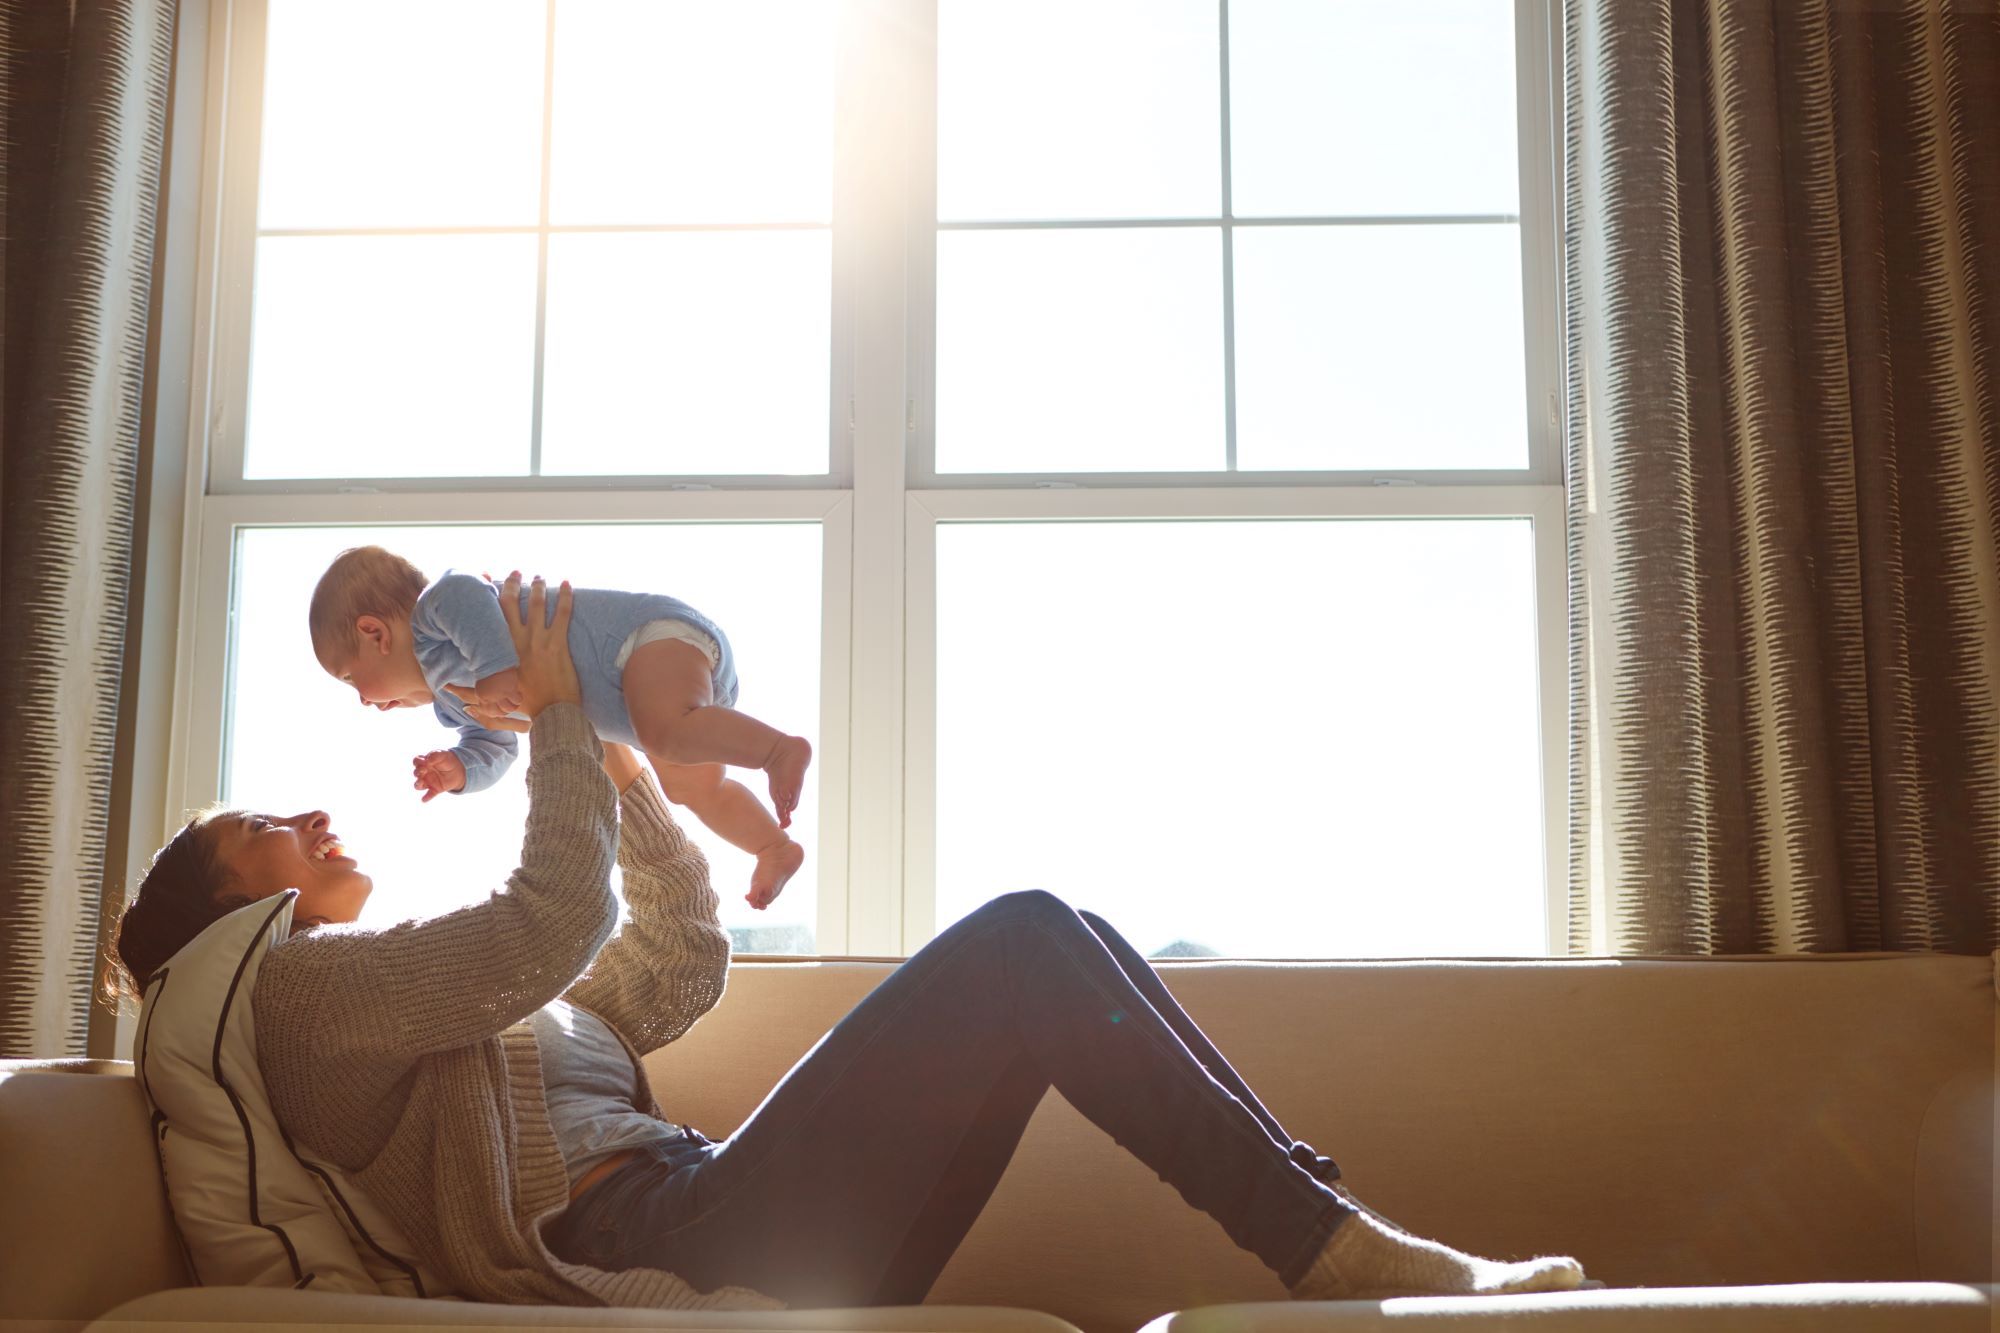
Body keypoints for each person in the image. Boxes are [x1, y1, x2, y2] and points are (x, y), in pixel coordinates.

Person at [106, 574, 1586, 1311]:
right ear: (225, 904)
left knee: (1053, 933)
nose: (304, 811)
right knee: (1016, 938)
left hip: (710, 1203)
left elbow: (669, 965)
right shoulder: (296, 1001)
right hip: (662, 1249)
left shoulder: (411, 997)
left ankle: (1328, 1235)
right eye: (262, 825)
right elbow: (546, 924)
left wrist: (620, 771)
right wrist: (557, 706)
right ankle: (1330, 1252)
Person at [306, 545, 811, 908]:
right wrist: (459, 770)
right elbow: (496, 746)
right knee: (692, 788)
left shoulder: (432, 615)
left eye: (352, 679)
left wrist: (496, 668)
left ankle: (776, 751)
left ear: (373, 633)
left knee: (665, 734)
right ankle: (772, 846)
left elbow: (467, 595)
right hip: (657, 705)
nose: (365, 702)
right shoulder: (453, 703)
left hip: (643, 643)